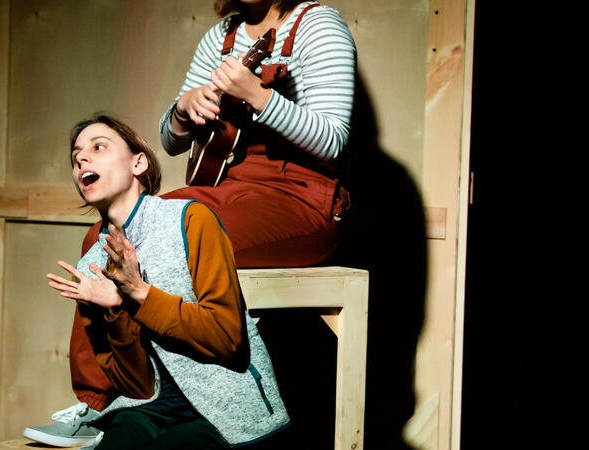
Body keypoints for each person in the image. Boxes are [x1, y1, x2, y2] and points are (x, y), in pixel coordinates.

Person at [30, 0, 356, 446]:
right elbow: (171, 138)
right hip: (228, 190)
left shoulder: (318, 24)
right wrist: (183, 110)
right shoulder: (223, 35)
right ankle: (101, 400)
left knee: (167, 239)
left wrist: (257, 96)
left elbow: (333, 140)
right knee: (107, 234)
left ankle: (169, 404)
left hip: (300, 200)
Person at [24, 114, 289, 449]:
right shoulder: (92, 267)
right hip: (149, 408)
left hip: (226, 410)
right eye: (76, 156)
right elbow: (137, 387)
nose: (81, 159)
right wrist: (117, 310)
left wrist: (139, 293)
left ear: (138, 163)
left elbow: (228, 338)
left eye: (98, 147)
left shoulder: (191, 220)